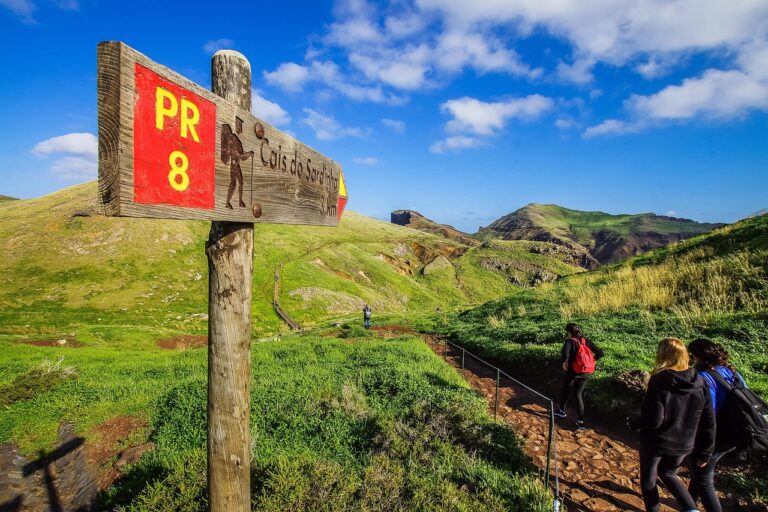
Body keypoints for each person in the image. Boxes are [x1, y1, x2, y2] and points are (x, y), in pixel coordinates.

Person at [629, 337, 715, 512]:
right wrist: (706, 452)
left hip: (657, 441)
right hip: (685, 443)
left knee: (649, 480)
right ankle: (692, 509)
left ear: (663, 355)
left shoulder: (660, 380)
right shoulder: (699, 380)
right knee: (668, 473)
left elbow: (653, 420)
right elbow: (708, 419)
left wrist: (635, 421)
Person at [687, 339, 747, 512]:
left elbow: (707, 414)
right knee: (698, 472)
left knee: (703, 477)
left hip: (716, 434)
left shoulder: (704, 377)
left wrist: (704, 448)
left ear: (696, 356)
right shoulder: (731, 372)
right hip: (736, 430)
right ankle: (689, 503)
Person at [554, 323, 604, 430]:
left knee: (566, 389)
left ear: (569, 332)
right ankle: (581, 422)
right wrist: (593, 360)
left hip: (573, 371)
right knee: (578, 394)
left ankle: (562, 411)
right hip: (585, 372)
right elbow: (600, 353)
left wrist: (565, 362)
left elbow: (565, 353)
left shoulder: (570, 341)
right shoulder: (586, 341)